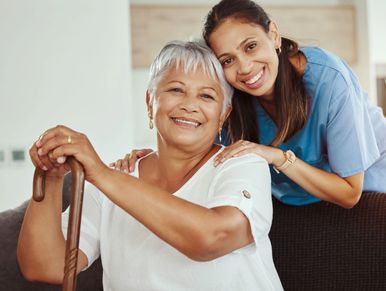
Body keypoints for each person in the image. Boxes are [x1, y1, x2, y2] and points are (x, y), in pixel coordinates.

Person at [17, 41, 283, 291]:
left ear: (223, 115)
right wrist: (50, 179)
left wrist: (102, 174)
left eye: (206, 96)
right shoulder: (112, 180)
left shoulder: (242, 165)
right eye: (176, 90)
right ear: (149, 102)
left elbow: (211, 238)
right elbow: (45, 267)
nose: (190, 105)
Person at [114, 0, 386, 208]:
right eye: (227, 60)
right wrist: (150, 162)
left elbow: (350, 192)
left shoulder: (330, 80)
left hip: (369, 196)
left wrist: (277, 157)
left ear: (274, 35)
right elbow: (199, 151)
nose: (244, 68)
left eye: (250, 46)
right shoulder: (231, 97)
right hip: (290, 202)